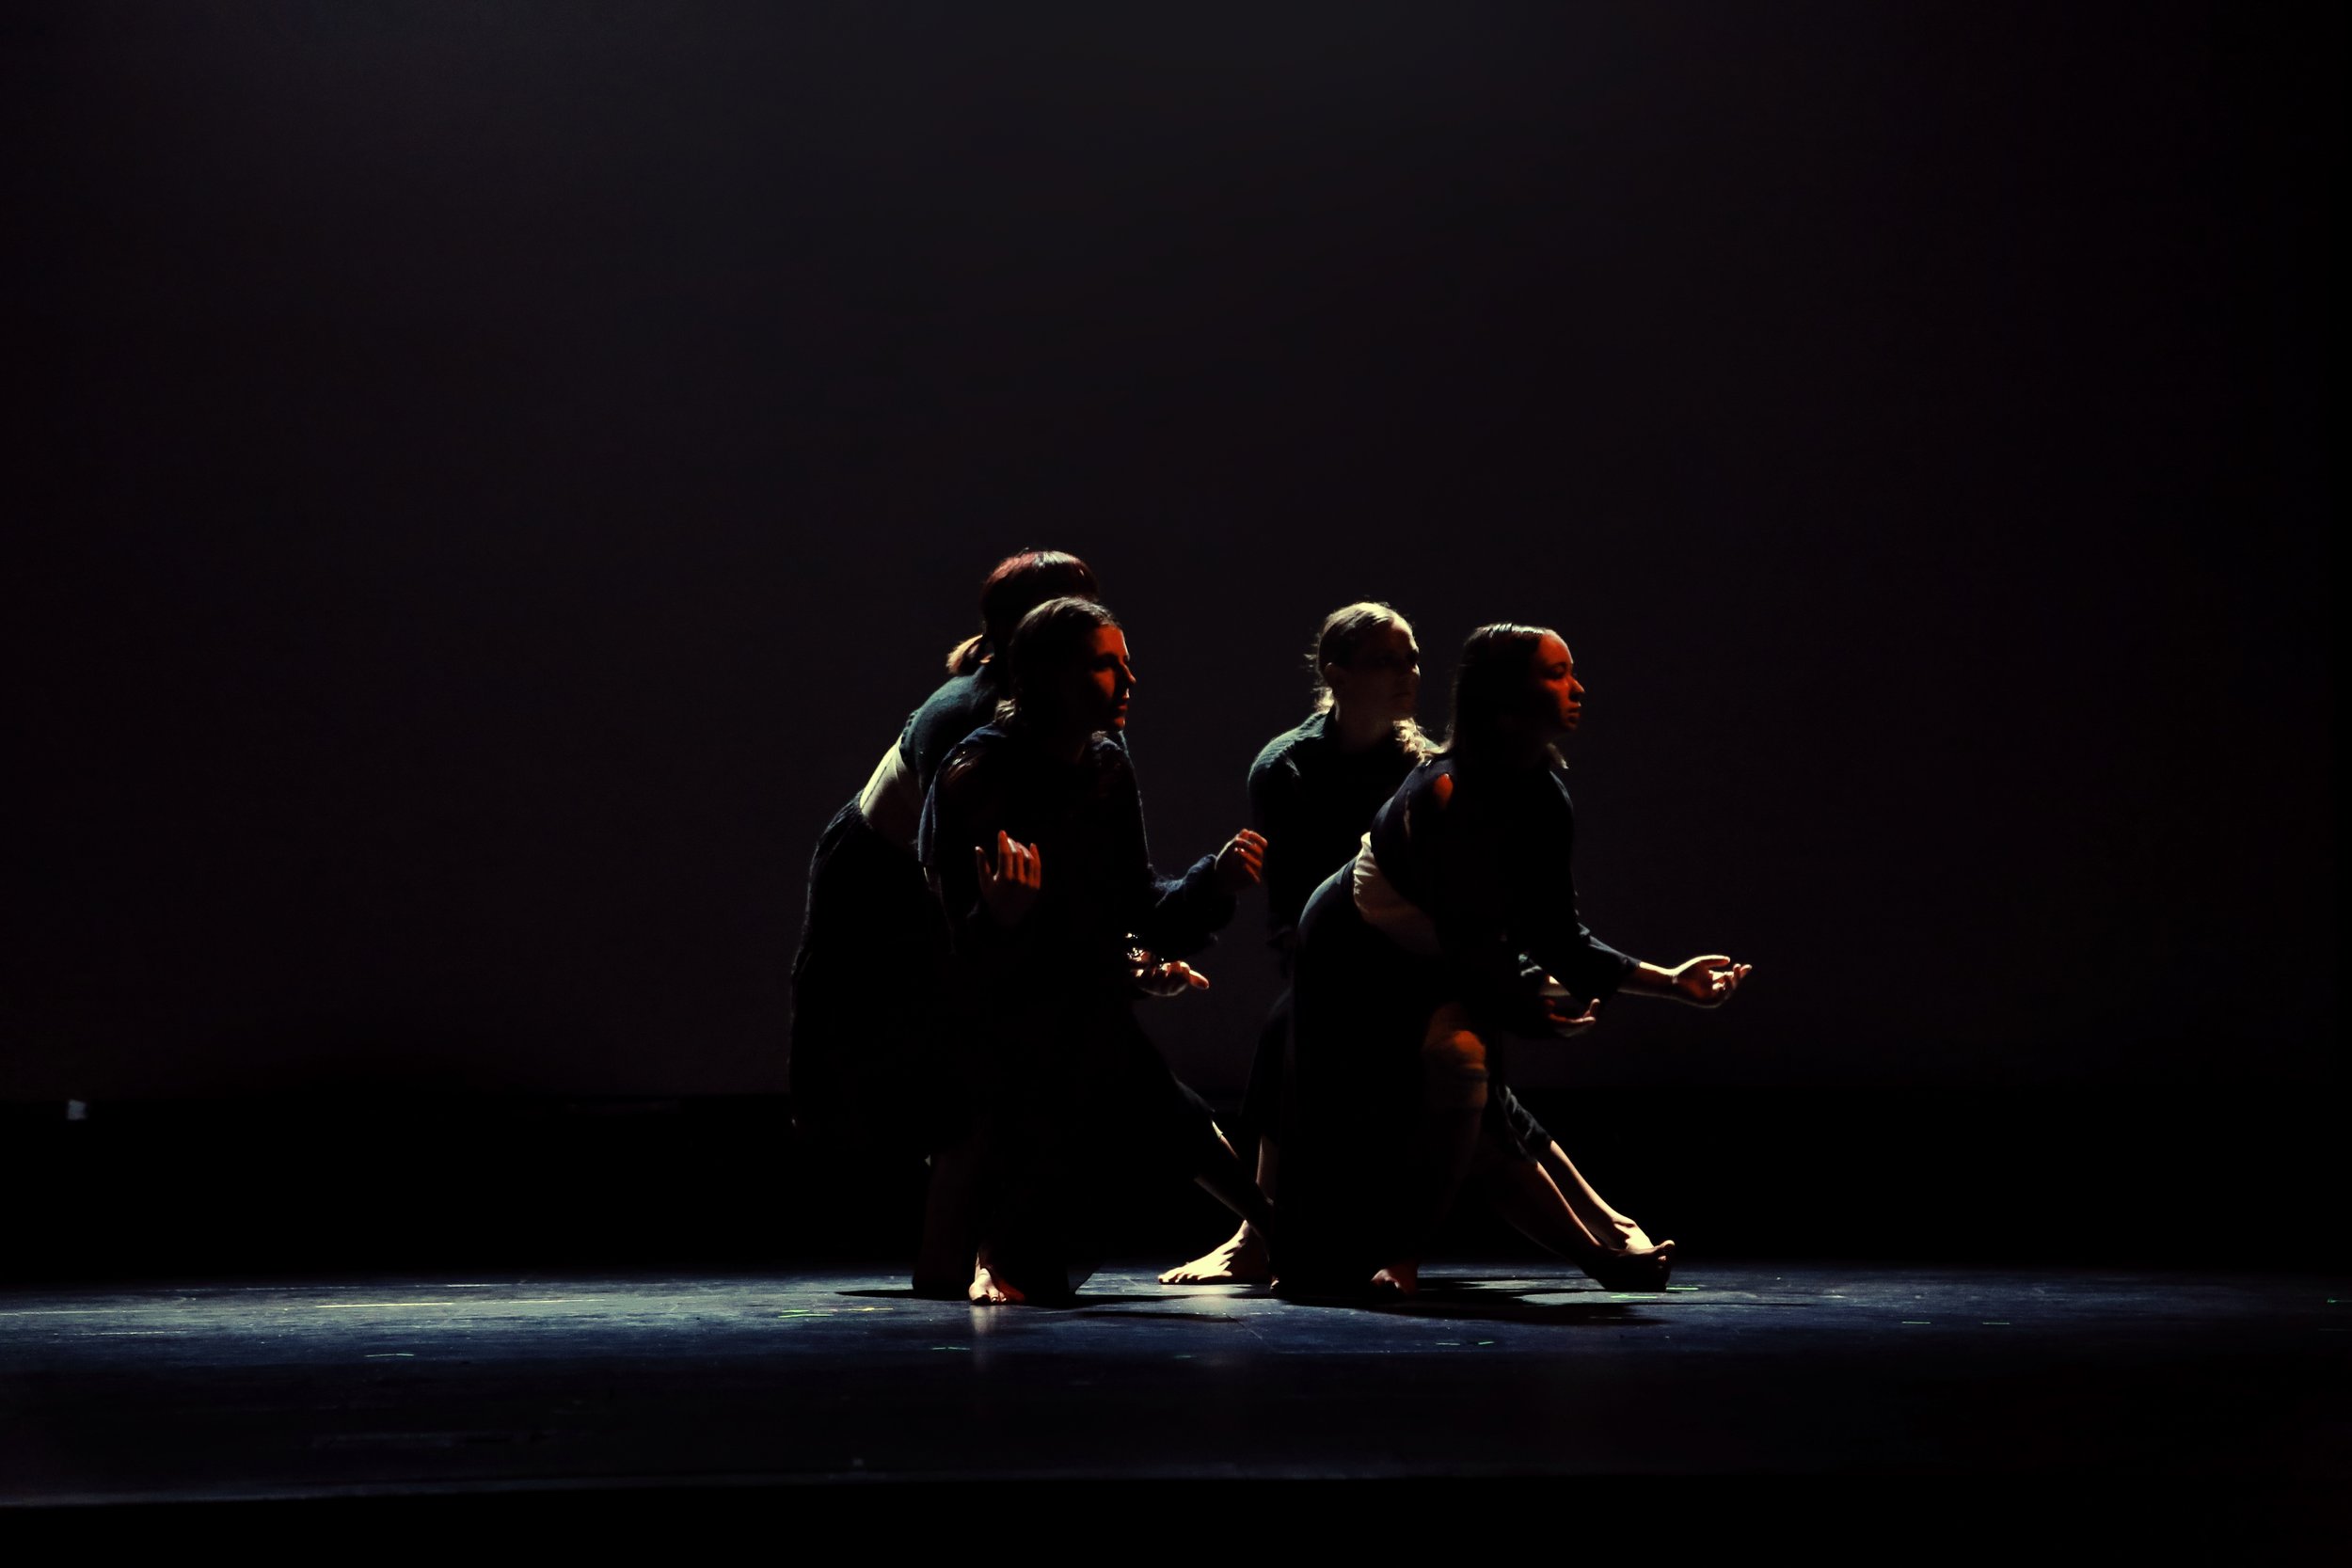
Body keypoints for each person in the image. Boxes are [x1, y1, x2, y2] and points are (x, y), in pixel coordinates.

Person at [1279, 625, 1750, 1298]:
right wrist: (1535, 1008)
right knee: (1460, 1066)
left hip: (1438, 954)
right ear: (1503, 699)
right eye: (1558, 674)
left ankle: (1599, 1245)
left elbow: (1559, 935)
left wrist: (1671, 982)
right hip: (1356, 956)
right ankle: (1427, 1253)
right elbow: (1480, 951)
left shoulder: (1542, 795)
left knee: (1473, 1083)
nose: (1578, 687)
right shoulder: (1444, 795)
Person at [919, 596, 1275, 1304]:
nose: (1129, 680)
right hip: (997, 1032)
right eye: (1106, 665)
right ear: (1050, 676)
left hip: (1081, 1014)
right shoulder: (980, 774)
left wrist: (1215, 881)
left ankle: (1277, 1227)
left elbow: (1136, 903)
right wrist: (1001, 917)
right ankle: (999, 1250)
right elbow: (951, 956)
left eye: (1126, 661)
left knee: (1145, 1087)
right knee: (1117, 1092)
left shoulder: (1106, 764)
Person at [787, 549, 1102, 1291]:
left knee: (996, 1058)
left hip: (953, 885)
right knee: (965, 1070)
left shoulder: (1055, 706)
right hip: (884, 889)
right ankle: (962, 1261)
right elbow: (951, 865)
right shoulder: (963, 714)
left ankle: (986, 1254)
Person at [1160, 601, 1425, 1286]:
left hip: (1416, 956)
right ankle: (1261, 1227)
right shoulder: (1288, 767)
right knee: (1298, 1018)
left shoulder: (1422, 769)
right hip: (1333, 955)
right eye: (1385, 661)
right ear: (1335, 674)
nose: (1408, 674)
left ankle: (1273, 1229)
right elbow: (1296, 912)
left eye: (1412, 659)